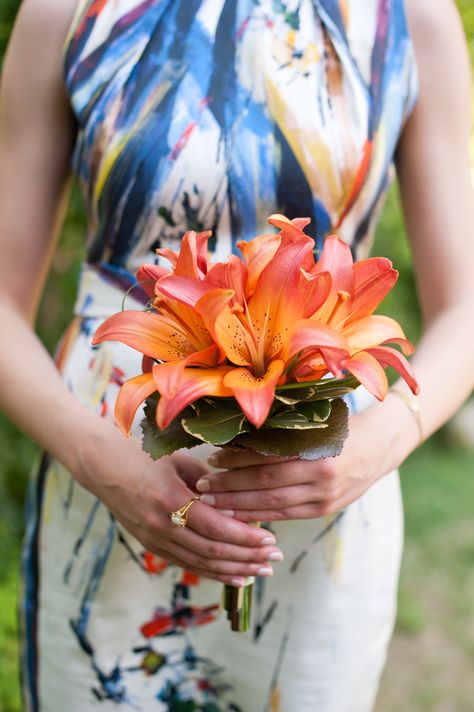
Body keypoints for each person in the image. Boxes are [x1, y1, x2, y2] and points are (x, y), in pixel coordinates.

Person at [1, 0, 473, 710]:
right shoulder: (64, 12)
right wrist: (107, 464)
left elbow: (466, 309)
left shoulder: (410, 18)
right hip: (102, 463)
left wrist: (374, 450)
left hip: (324, 481)